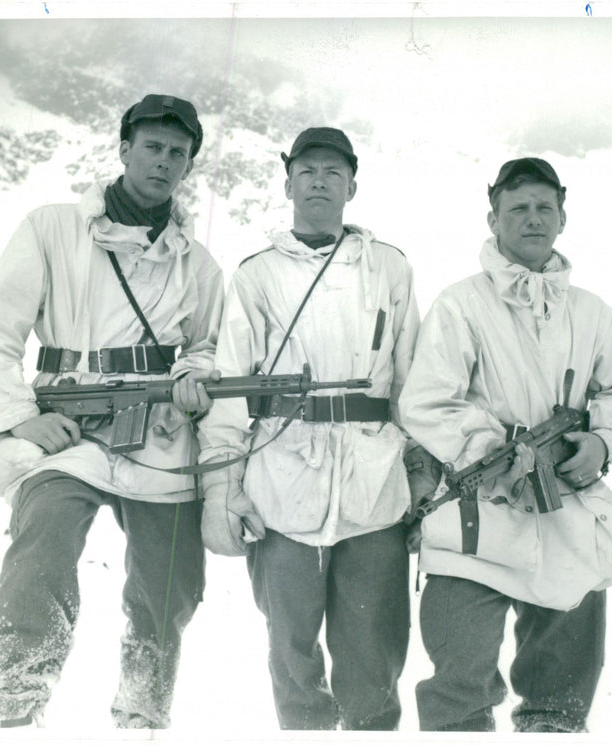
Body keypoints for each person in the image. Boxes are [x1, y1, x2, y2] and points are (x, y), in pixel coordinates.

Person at [0, 94, 224, 728]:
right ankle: (18, 694)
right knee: (44, 535)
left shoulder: (200, 263)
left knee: (172, 581)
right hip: (65, 426)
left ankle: (143, 709)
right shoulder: (50, 228)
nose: (164, 161)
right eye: (153, 147)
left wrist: (192, 375)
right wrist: (22, 416)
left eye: (178, 153)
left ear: (187, 166)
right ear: (125, 148)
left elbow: (211, 345)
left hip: (159, 430)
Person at [398, 157, 612, 733]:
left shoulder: (592, 313)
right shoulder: (460, 304)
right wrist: (495, 452)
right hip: (478, 515)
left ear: (563, 218)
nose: (533, 219)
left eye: (545, 207)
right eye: (518, 208)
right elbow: (426, 402)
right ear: (493, 218)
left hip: (565, 510)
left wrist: (601, 441)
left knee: (560, 701)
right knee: (458, 687)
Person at [197, 127, 421, 730]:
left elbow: (414, 382)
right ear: (289, 181)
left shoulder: (389, 268)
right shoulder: (256, 275)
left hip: (374, 481)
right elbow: (228, 387)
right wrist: (223, 486)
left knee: (374, 644)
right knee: (290, 644)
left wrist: (422, 474)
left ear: (351, 185)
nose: (319, 181)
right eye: (307, 171)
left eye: (332, 172)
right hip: (282, 474)